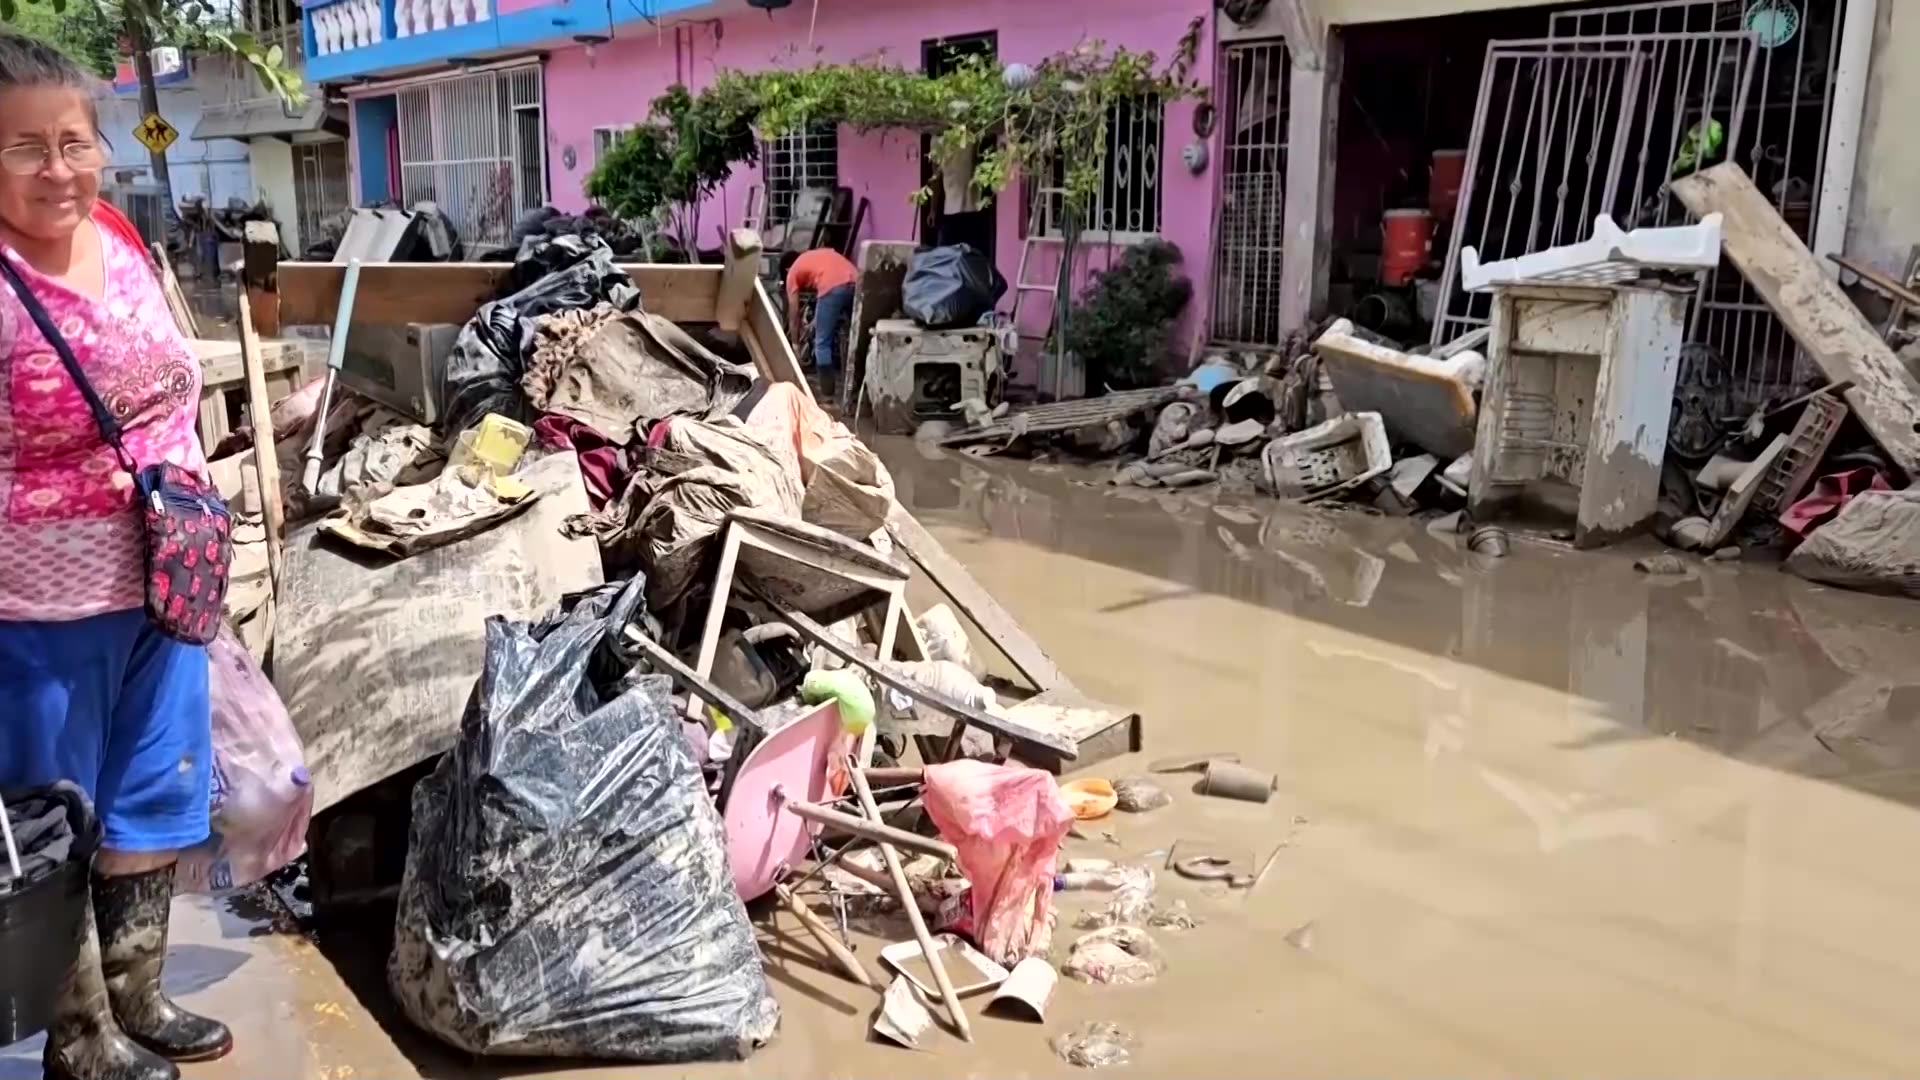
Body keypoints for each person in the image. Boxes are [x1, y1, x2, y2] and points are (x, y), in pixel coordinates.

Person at [0, 32, 230, 1080]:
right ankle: (80, 1035)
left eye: (75, 142)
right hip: (36, 611)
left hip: (163, 582)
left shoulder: (121, 238)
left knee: (150, 792)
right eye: (24, 149)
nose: (59, 169)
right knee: (52, 821)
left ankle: (138, 995)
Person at [783, 246, 857, 385]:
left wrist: (795, 344)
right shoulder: (816, 255)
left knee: (822, 344)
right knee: (855, 337)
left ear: (787, 269)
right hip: (856, 280)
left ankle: (827, 396)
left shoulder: (792, 272)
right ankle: (856, 388)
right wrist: (815, 322)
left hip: (831, 286)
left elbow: (794, 315)